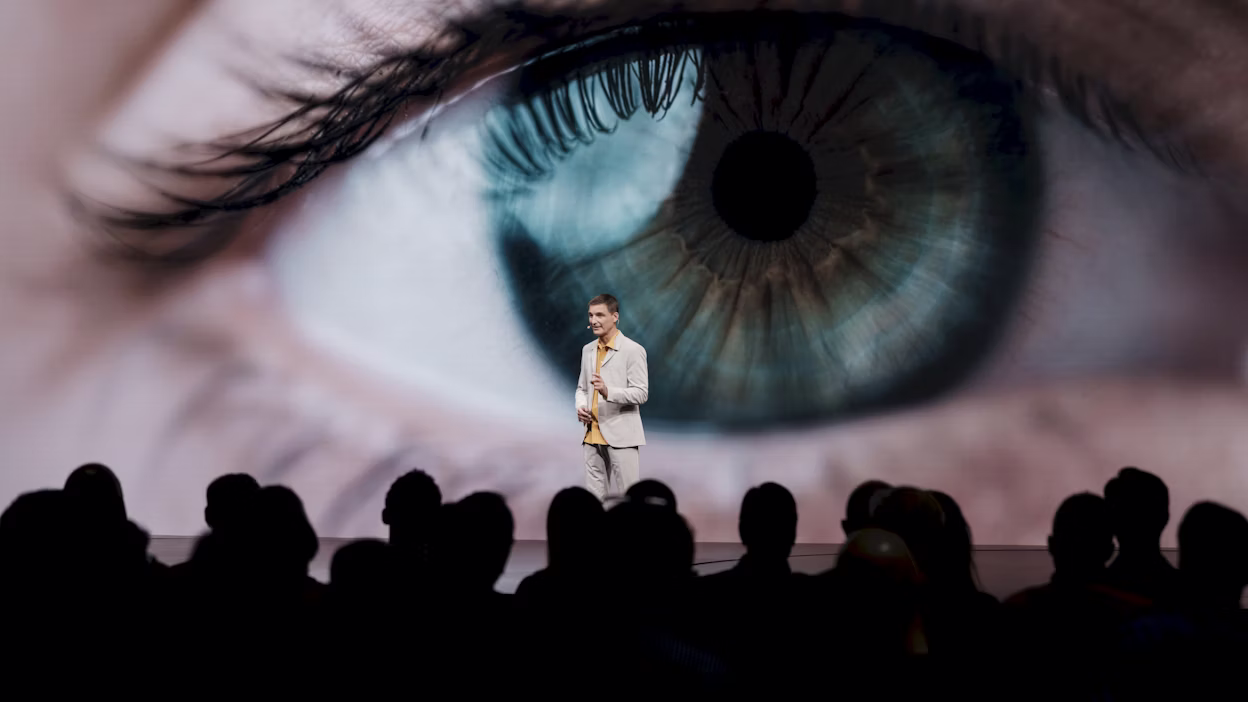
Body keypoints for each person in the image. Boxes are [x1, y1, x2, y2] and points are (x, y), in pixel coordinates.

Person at [575, 293, 649, 501]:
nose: (593, 320)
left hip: (622, 436)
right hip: (591, 435)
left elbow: (641, 392)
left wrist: (609, 392)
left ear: (615, 317)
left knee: (630, 499)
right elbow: (582, 388)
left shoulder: (633, 350)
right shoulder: (588, 350)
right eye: (591, 315)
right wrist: (581, 406)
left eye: (599, 315)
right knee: (593, 502)